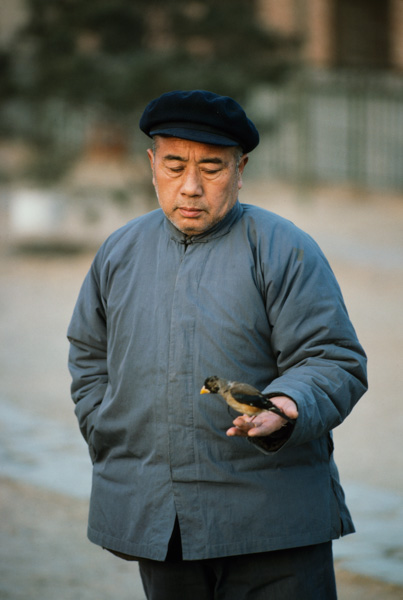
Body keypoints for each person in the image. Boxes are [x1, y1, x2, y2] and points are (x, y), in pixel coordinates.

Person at [67, 90, 367, 599]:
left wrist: (285, 409)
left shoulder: (282, 247)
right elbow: (89, 357)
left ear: (240, 167)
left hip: (272, 520)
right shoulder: (119, 251)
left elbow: (332, 357)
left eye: (211, 168)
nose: (189, 187)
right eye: (174, 165)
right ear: (151, 163)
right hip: (159, 522)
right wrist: (104, 427)